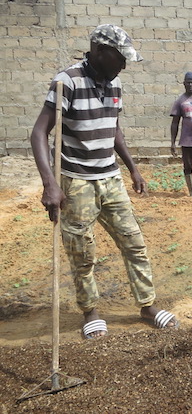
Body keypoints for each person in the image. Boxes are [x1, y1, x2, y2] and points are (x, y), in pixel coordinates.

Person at [30, 24, 179, 339]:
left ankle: (148, 305)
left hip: (111, 179)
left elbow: (114, 129)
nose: (124, 65)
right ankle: (91, 312)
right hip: (76, 182)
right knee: (82, 251)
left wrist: (133, 168)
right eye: (120, 58)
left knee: (133, 242)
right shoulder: (65, 82)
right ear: (99, 51)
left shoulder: (115, 84)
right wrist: (49, 184)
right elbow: (39, 132)